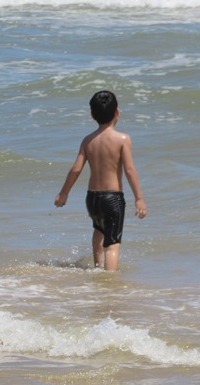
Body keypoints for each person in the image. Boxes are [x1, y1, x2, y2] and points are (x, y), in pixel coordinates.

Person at [54, 90, 147, 271]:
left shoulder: (88, 140)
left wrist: (64, 193)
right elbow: (129, 169)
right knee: (112, 243)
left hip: (92, 199)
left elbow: (76, 168)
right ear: (117, 112)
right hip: (113, 199)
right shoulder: (122, 139)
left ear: (92, 114)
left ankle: (97, 267)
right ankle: (108, 280)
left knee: (99, 231)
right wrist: (139, 198)